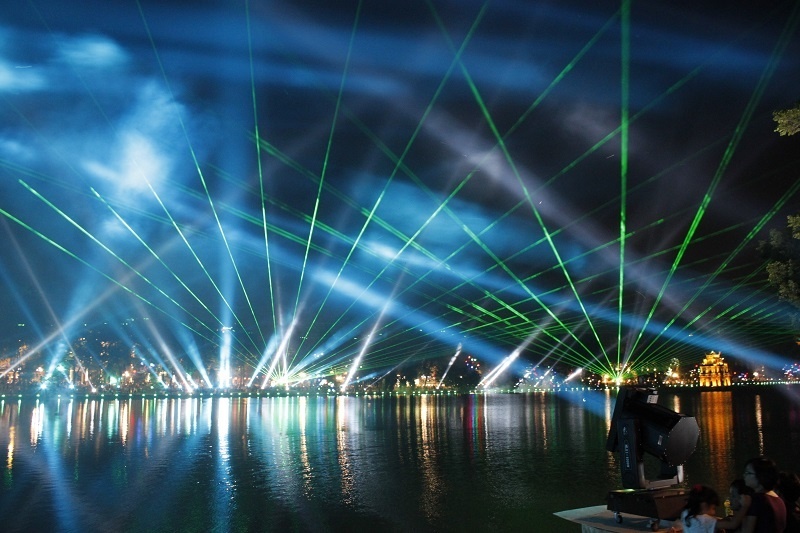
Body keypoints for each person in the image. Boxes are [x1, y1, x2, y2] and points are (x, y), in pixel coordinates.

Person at [739, 457, 787, 533]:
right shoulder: (778, 499)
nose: (744, 475)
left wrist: (744, 507)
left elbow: (746, 531)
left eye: (748, 473)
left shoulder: (756, 499)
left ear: (760, 476)